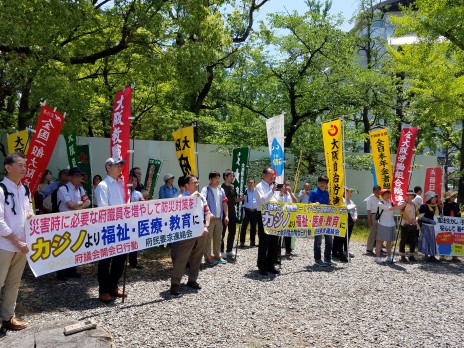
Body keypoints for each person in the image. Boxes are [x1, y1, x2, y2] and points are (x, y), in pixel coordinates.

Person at [0, 153, 33, 332]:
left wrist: (31, 217)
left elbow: (29, 212)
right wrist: (16, 241)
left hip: (22, 244)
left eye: (25, 165)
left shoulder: (25, 189)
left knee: (14, 283)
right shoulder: (1, 189)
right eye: (20, 165)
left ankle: (8, 318)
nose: (24, 168)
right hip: (4, 245)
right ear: (8, 167)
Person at [94, 157, 129, 303]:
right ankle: (103, 290)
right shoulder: (103, 185)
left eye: (121, 165)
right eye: (116, 165)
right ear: (108, 168)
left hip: (122, 227)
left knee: (120, 260)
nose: (120, 168)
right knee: (105, 261)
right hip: (108, 228)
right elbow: (103, 209)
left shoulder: (121, 184)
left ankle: (113, 285)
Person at [170, 175, 211, 296]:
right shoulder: (181, 198)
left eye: (197, 182)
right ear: (187, 185)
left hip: (201, 230)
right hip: (188, 231)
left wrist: (206, 226)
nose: (196, 184)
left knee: (197, 257)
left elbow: (207, 212)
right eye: (194, 182)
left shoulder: (202, 197)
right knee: (182, 257)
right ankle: (175, 283)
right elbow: (178, 214)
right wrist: (192, 198)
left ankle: (192, 280)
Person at [55, 167, 90, 281]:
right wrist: (79, 204)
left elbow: (88, 201)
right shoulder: (63, 189)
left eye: (80, 176)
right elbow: (71, 205)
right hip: (63, 222)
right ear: (70, 177)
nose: (79, 178)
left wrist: (78, 207)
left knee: (75, 245)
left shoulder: (80, 189)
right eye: (76, 176)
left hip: (76, 221)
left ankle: (72, 270)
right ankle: (61, 272)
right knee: (63, 246)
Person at [256, 167, 280, 275]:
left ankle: (271, 265)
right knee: (264, 241)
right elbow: (262, 200)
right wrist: (272, 191)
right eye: (270, 174)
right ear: (264, 175)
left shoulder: (274, 187)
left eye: (273, 175)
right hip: (263, 215)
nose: (272, 177)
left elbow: (279, 200)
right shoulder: (259, 186)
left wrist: (282, 195)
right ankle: (262, 266)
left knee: (274, 241)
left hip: (274, 215)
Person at [201, 171, 228, 265]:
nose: (218, 180)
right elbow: (203, 202)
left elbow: (224, 203)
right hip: (210, 218)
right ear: (210, 179)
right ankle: (208, 257)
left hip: (219, 218)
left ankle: (217, 255)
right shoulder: (206, 189)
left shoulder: (221, 189)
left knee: (218, 238)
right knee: (208, 238)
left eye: (218, 178)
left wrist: (226, 215)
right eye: (215, 178)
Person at [309, 175, 335, 266]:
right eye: (320, 182)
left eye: (324, 182)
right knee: (318, 240)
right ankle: (318, 259)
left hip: (327, 219)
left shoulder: (327, 193)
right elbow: (308, 204)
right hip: (317, 219)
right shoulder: (314, 192)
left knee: (329, 240)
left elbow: (328, 204)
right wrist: (314, 204)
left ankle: (328, 258)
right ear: (318, 183)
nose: (322, 184)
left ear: (327, 184)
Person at [375, 189, 406, 264]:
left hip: (391, 223)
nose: (388, 195)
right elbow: (391, 209)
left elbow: (397, 207)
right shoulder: (380, 203)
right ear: (382, 195)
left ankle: (389, 256)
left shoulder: (392, 202)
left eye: (389, 194)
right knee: (380, 241)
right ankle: (377, 257)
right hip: (383, 223)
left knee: (390, 241)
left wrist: (403, 204)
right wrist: (402, 205)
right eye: (386, 194)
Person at [271, 180, 298, 256]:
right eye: (286, 185)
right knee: (279, 233)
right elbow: (278, 201)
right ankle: (277, 251)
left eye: (288, 185)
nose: (287, 186)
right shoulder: (279, 193)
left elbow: (296, 202)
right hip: (280, 216)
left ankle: (288, 250)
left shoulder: (290, 194)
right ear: (283, 185)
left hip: (289, 216)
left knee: (288, 234)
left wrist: (291, 193)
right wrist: (281, 193)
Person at [221, 169, 242, 258]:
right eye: (231, 176)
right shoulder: (221, 188)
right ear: (225, 177)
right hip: (223, 212)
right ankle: (221, 250)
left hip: (232, 211)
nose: (232, 177)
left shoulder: (233, 187)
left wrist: (240, 199)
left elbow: (234, 200)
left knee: (232, 231)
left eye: (233, 176)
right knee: (222, 232)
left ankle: (229, 250)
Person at [333, 188, 357, 262]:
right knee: (340, 237)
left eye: (350, 192)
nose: (350, 194)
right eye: (349, 192)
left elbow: (355, 209)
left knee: (347, 237)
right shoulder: (341, 200)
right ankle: (337, 252)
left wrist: (355, 216)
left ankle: (345, 250)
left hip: (350, 221)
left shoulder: (351, 201)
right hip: (342, 221)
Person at [128, 168, 145, 270]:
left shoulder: (138, 193)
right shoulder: (124, 192)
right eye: (131, 181)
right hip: (125, 222)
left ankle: (133, 262)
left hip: (135, 221)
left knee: (134, 242)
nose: (133, 183)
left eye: (135, 181)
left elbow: (142, 204)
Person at [418, 191, 442, 262]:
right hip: (426, 226)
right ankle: (426, 255)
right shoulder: (424, 206)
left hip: (436, 227)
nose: (435, 199)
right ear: (429, 198)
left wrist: (441, 215)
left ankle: (432, 255)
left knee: (434, 241)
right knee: (426, 240)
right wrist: (430, 220)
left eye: (435, 197)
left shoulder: (438, 206)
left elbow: (440, 214)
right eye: (433, 198)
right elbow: (421, 217)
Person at [398, 190, 419, 262]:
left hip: (413, 224)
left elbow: (417, 214)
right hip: (405, 224)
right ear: (406, 196)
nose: (411, 196)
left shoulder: (414, 204)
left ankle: (411, 255)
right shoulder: (402, 204)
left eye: (413, 195)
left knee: (412, 240)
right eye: (410, 195)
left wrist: (416, 219)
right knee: (403, 240)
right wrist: (410, 220)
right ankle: (402, 255)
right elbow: (402, 214)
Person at [239, 178, 259, 248]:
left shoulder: (257, 191)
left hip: (255, 211)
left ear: (254, 184)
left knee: (253, 227)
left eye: (252, 183)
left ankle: (252, 242)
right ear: (247, 184)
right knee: (244, 227)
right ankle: (242, 242)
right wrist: (243, 211)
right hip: (247, 211)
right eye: (249, 183)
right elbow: (241, 202)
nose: (251, 184)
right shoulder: (244, 191)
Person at [442, 191, 461, 262]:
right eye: (452, 196)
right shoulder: (444, 205)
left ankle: (455, 255)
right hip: (446, 225)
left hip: (455, 226)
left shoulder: (456, 205)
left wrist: (459, 214)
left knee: (455, 239)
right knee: (445, 239)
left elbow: (458, 214)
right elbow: (442, 214)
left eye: (454, 196)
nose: (454, 198)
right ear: (448, 198)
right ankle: (442, 254)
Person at [365, 185, 382, 255]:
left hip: (381, 216)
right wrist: (369, 219)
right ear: (373, 191)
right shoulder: (370, 199)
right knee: (373, 232)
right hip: (374, 215)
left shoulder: (381, 199)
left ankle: (378, 248)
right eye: (376, 190)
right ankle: (369, 249)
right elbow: (368, 211)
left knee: (380, 233)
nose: (377, 192)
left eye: (379, 190)